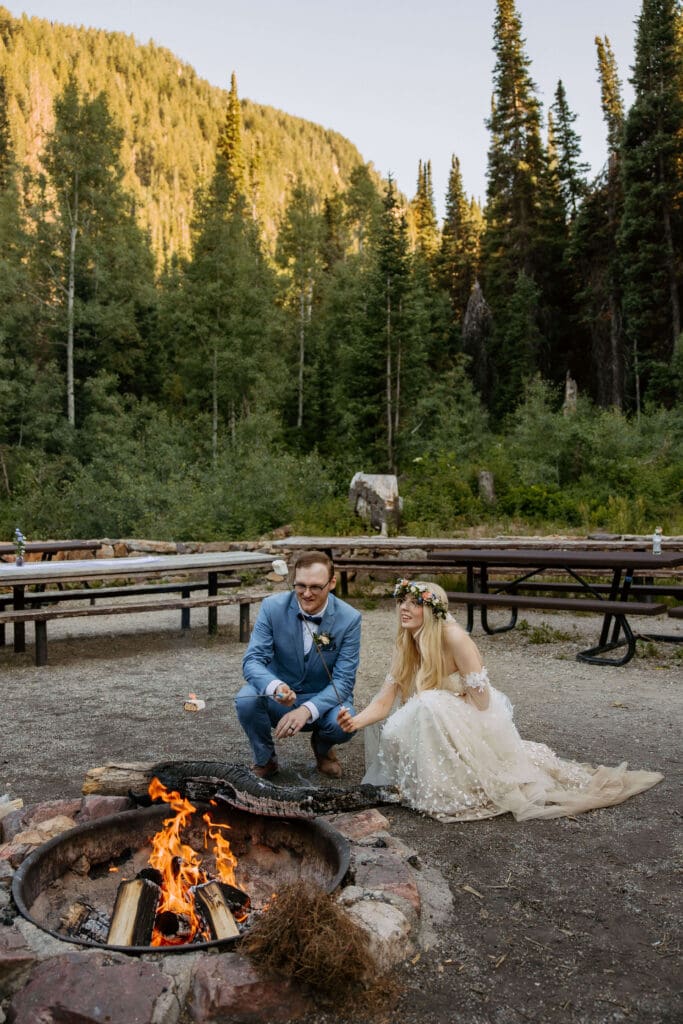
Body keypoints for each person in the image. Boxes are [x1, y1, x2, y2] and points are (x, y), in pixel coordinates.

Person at [338, 579, 663, 822]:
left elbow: (482, 703)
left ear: (433, 610)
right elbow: (384, 699)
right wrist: (355, 721)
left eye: (414, 602)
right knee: (400, 714)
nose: (404, 608)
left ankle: (453, 786)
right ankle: (424, 778)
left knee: (427, 704)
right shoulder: (406, 641)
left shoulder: (454, 637)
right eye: (401, 602)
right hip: (437, 713)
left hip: (471, 713)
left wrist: (448, 697)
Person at [236, 550, 361, 779]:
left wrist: (307, 709)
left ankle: (323, 749)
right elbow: (252, 661)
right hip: (281, 698)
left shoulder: (350, 619)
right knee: (246, 699)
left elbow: (343, 682)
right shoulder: (272, 607)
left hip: (324, 698)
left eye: (315, 587)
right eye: (300, 585)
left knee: (344, 722)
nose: (306, 594)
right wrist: (275, 687)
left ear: (332, 583)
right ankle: (266, 759)